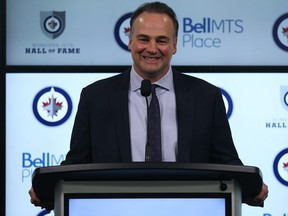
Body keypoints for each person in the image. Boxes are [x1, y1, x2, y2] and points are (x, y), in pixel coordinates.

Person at [29, 1, 268, 208]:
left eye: (162, 40)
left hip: (189, 208)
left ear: (174, 45)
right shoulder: (96, 96)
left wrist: (250, 188)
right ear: (130, 42)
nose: (152, 49)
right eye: (143, 39)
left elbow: (226, 161)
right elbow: (77, 164)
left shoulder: (206, 96)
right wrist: (49, 194)